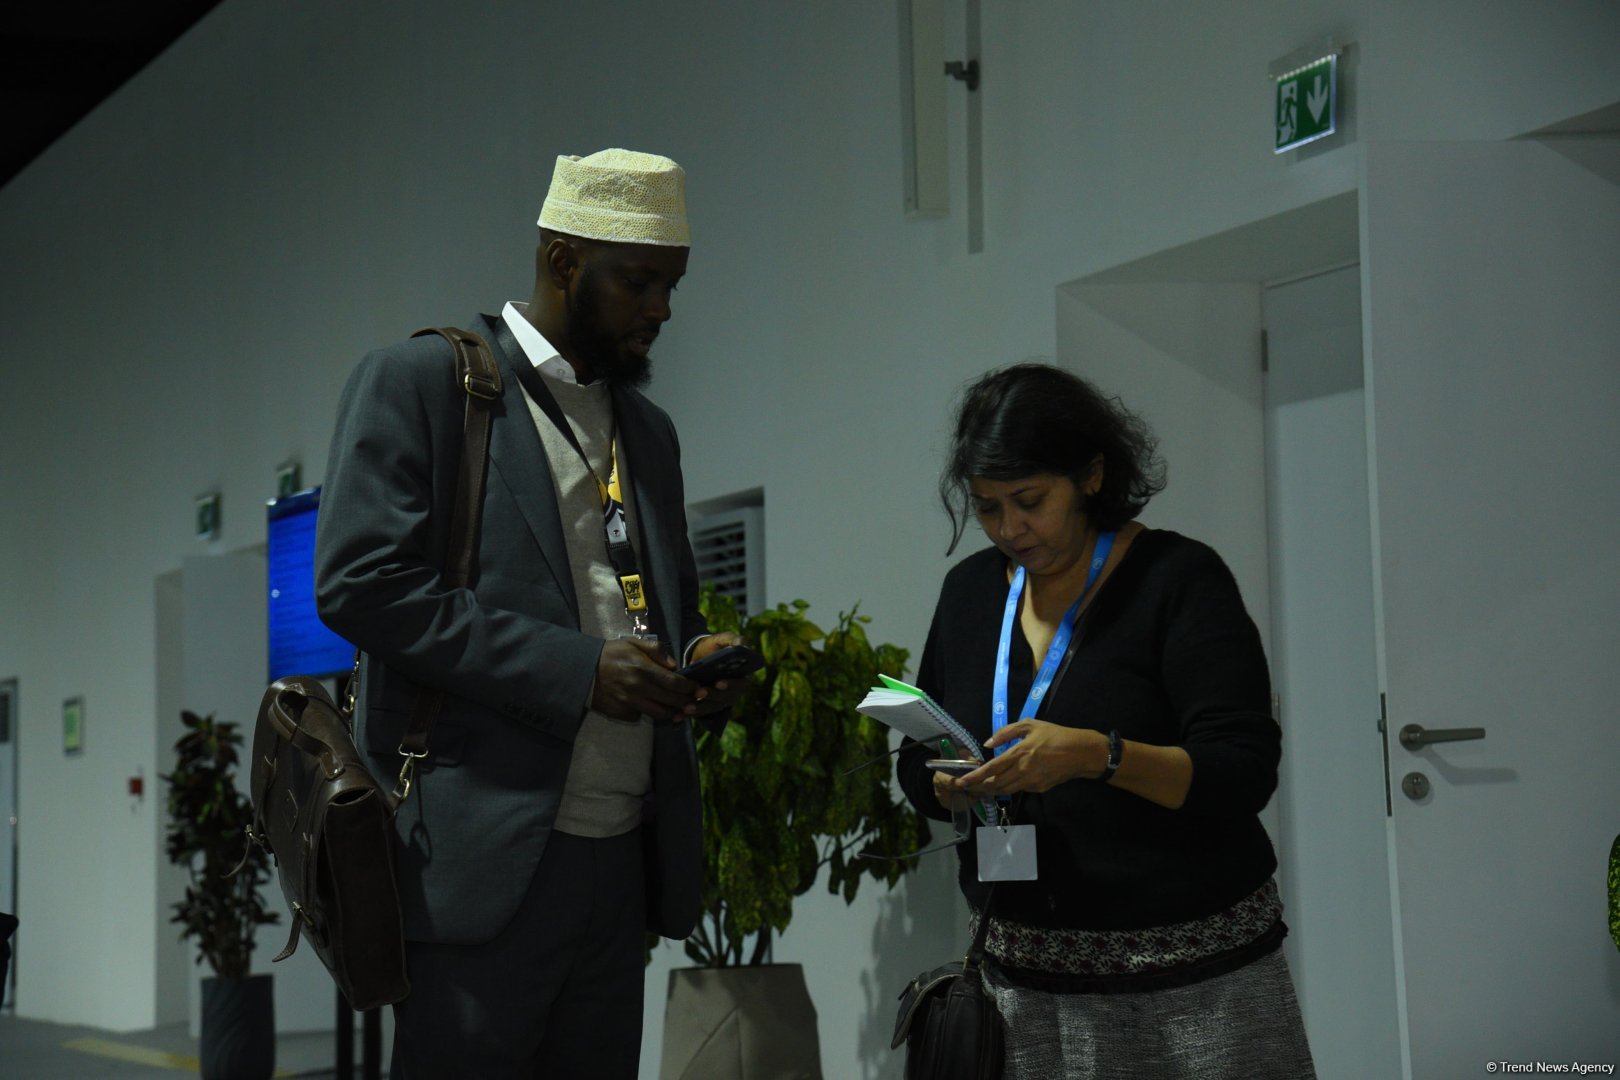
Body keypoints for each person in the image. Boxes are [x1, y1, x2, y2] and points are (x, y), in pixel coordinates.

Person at [315, 148, 742, 1078]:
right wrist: (580, 670)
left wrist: (694, 655)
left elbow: (645, 601)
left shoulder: (649, 434)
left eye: (672, 285)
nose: (661, 309)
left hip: (620, 852)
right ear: (561, 259)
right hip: (481, 851)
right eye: (639, 282)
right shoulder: (425, 384)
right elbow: (360, 583)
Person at [897, 362, 1316, 1078]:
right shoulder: (968, 593)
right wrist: (946, 784)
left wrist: (1098, 755)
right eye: (988, 506)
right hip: (1020, 987)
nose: (1009, 528)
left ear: (1091, 475)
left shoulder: (1178, 580)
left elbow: (1241, 770)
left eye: (1030, 500)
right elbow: (919, 752)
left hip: (1192, 984)